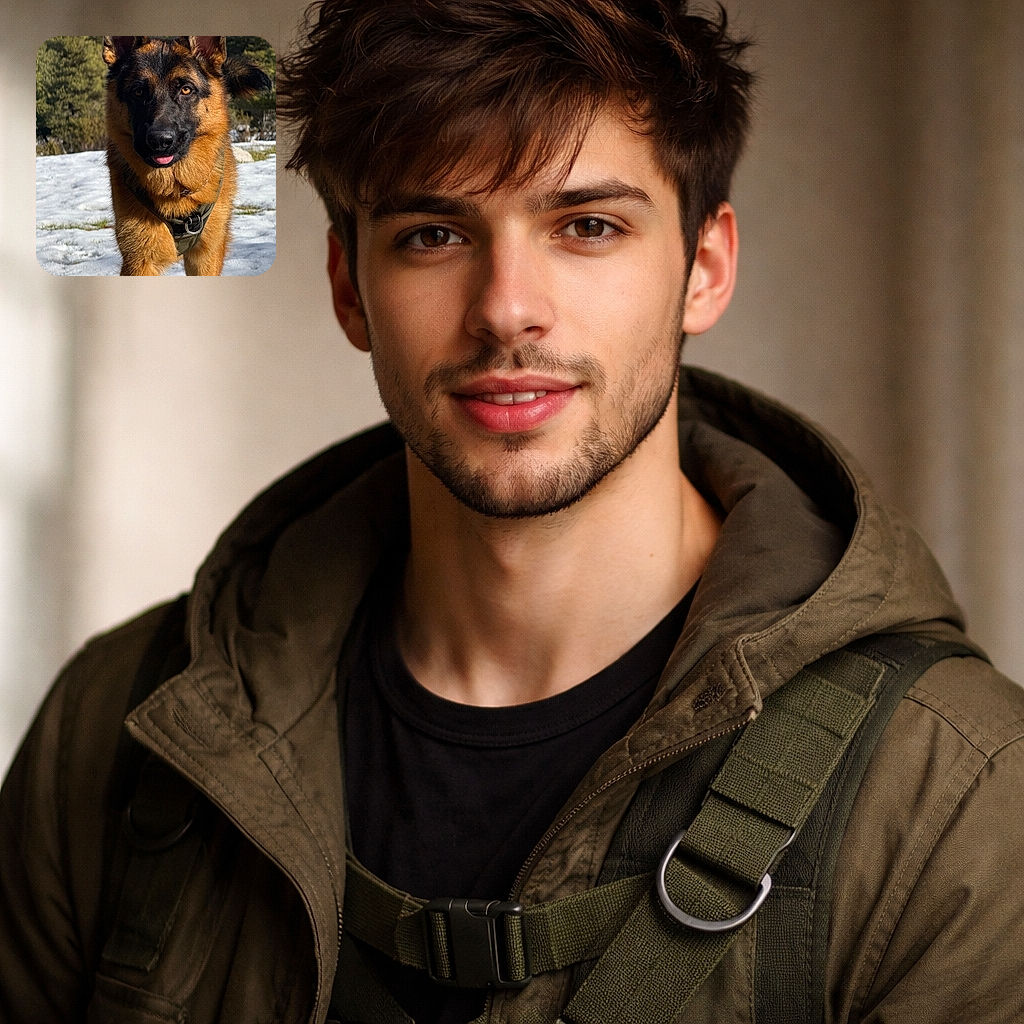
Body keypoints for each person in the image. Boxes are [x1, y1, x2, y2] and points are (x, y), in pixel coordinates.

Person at [2, 1, 1023, 1022]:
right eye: (433, 233)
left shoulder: (953, 793)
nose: (506, 305)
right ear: (349, 288)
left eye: (587, 226)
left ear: (703, 269)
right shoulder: (112, 728)